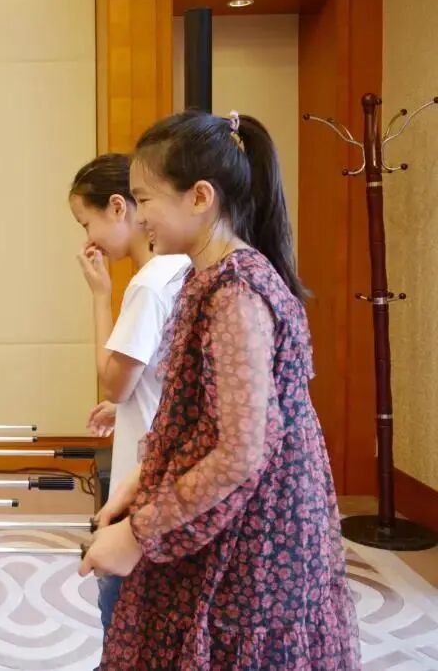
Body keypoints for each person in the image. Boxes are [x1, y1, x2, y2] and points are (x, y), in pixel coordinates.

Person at [79, 110, 359, 669]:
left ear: (200, 197)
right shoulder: (203, 278)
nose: (139, 215)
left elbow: (239, 452)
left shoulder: (235, 294)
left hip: (254, 537)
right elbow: (199, 420)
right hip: (221, 511)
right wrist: (140, 481)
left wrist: (138, 534)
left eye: (145, 199)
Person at [68, 153, 189, 635]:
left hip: (147, 479)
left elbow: (113, 382)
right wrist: (125, 409)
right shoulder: (184, 269)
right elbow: (159, 379)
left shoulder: (149, 284)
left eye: (86, 222)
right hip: (169, 468)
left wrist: (100, 296)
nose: (87, 238)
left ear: (119, 207)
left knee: (122, 621)